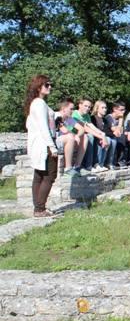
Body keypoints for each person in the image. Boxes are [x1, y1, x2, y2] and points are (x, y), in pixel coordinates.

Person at [25, 75, 58, 217]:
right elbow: (44, 127)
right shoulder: (39, 103)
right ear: (39, 87)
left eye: (50, 84)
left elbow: (29, 124)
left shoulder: (36, 103)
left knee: (39, 176)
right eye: (47, 85)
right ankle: (39, 209)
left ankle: (38, 208)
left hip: (41, 144)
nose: (50, 87)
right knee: (49, 176)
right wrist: (52, 146)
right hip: (44, 145)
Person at [73, 98, 110, 172]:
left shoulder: (87, 116)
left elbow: (92, 127)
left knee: (106, 138)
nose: (87, 108)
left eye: (89, 107)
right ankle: (88, 165)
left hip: (83, 134)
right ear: (80, 105)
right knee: (90, 137)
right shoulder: (74, 114)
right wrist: (101, 136)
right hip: (75, 135)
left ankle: (99, 164)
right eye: (85, 106)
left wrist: (103, 134)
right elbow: (86, 128)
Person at [54, 99, 85, 176]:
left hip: (65, 140)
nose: (73, 111)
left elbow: (81, 129)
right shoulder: (57, 116)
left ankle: (77, 166)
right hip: (54, 141)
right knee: (70, 137)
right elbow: (64, 130)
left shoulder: (69, 118)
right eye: (71, 109)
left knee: (85, 137)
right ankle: (68, 168)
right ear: (63, 109)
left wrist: (77, 135)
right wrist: (74, 133)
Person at [90, 100, 116, 172]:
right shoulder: (92, 118)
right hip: (95, 137)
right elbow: (94, 129)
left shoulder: (104, 120)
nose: (105, 109)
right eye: (102, 108)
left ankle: (106, 163)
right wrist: (102, 136)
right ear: (97, 108)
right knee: (106, 140)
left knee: (113, 140)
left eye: (105, 108)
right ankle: (97, 163)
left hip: (102, 136)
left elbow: (108, 131)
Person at [104, 101, 128, 168]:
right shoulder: (109, 117)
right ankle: (119, 161)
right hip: (109, 136)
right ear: (114, 109)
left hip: (116, 135)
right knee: (121, 137)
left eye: (124, 110)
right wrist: (120, 120)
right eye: (121, 110)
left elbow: (122, 130)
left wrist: (121, 119)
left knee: (124, 136)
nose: (123, 112)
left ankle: (122, 161)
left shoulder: (120, 117)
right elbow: (114, 130)